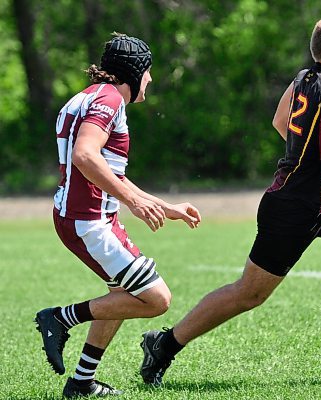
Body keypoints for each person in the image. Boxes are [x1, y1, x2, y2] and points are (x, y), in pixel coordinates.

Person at [139, 13, 321, 386]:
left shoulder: (304, 79)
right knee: (248, 294)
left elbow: (281, 121)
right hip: (293, 208)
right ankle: (163, 345)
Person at [34, 33, 201, 398]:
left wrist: (160, 205)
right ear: (135, 71)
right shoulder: (110, 99)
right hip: (88, 222)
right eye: (149, 71)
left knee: (123, 294)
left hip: (87, 217)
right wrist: (135, 202)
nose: (151, 80)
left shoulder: (87, 96)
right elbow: (85, 156)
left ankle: (81, 382)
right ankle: (60, 318)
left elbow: (109, 172)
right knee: (157, 299)